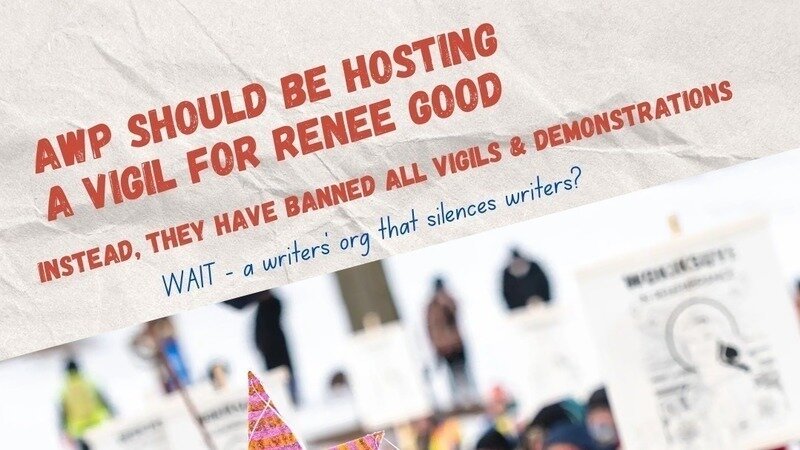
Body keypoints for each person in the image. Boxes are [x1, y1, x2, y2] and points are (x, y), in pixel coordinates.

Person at [225, 289, 298, 403]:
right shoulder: (267, 308)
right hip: (274, 358)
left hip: (277, 359)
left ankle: (290, 399)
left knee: (282, 382)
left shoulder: (270, 308)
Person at [426, 277, 477, 407]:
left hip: (456, 344)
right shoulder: (431, 307)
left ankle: (470, 398)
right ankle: (458, 401)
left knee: (463, 372)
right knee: (452, 374)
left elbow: (455, 310)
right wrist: (436, 346)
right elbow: (431, 328)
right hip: (444, 348)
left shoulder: (448, 300)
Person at [60, 358, 112, 450]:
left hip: (80, 430)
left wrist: (63, 431)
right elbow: (104, 401)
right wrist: (113, 415)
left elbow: (62, 414)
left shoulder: (64, 390)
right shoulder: (89, 383)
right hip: (97, 424)